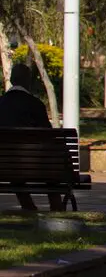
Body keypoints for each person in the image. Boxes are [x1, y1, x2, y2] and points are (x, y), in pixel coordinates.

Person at [0, 66, 65, 211]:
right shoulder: (35, 104)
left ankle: (28, 207)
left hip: (5, 166)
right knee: (50, 163)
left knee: (14, 169)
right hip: (38, 166)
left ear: (11, 80)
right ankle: (56, 207)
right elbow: (48, 135)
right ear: (28, 82)